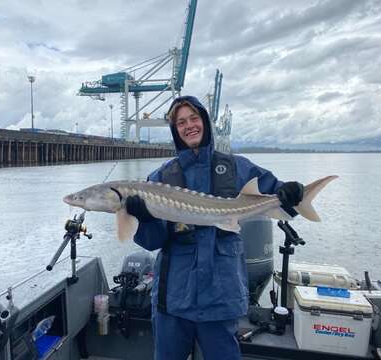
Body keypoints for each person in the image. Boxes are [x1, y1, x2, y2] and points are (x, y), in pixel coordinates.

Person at [125, 95, 303, 360]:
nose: (189, 126)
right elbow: (151, 242)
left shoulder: (236, 167)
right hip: (174, 297)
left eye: (194, 118)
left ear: (205, 122)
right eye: (181, 122)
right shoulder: (160, 178)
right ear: (176, 131)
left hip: (221, 294)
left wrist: (292, 193)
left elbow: (281, 201)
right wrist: (146, 218)